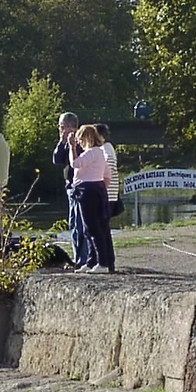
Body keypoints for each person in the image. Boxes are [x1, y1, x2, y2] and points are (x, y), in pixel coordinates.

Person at [68, 124, 115, 273]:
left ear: (87, 138)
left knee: (92, 228)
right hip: (97, 188)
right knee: (95, 227)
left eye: (80, 140)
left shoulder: (91, 153)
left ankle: (102, 263)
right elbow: (107, 174)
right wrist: (101, 188)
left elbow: (75, 163)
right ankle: (92, 261)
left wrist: (71, 147)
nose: (79, 143)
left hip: (87, 190)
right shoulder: (100, 153)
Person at [52, 111, 89, 268]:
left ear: (69, 127)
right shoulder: (66, 142)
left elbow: (79, 162)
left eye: (61, 127)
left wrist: (73, 145)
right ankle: (78, 257)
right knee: (73, 223)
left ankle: (83, 259)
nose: (59, 130)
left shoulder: (81, 141)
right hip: (70, 187)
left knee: (80, 224)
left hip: (81, 186)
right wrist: (62, 142)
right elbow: (57, 160)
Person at [95, 123, 120, 272]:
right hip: (109, 193)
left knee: (102, 229)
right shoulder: (107, 148)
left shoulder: (106, 149)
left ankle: (107, 262)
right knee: (104, 229)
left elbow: (108, 169)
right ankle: (109, 262)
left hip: (108, 195)